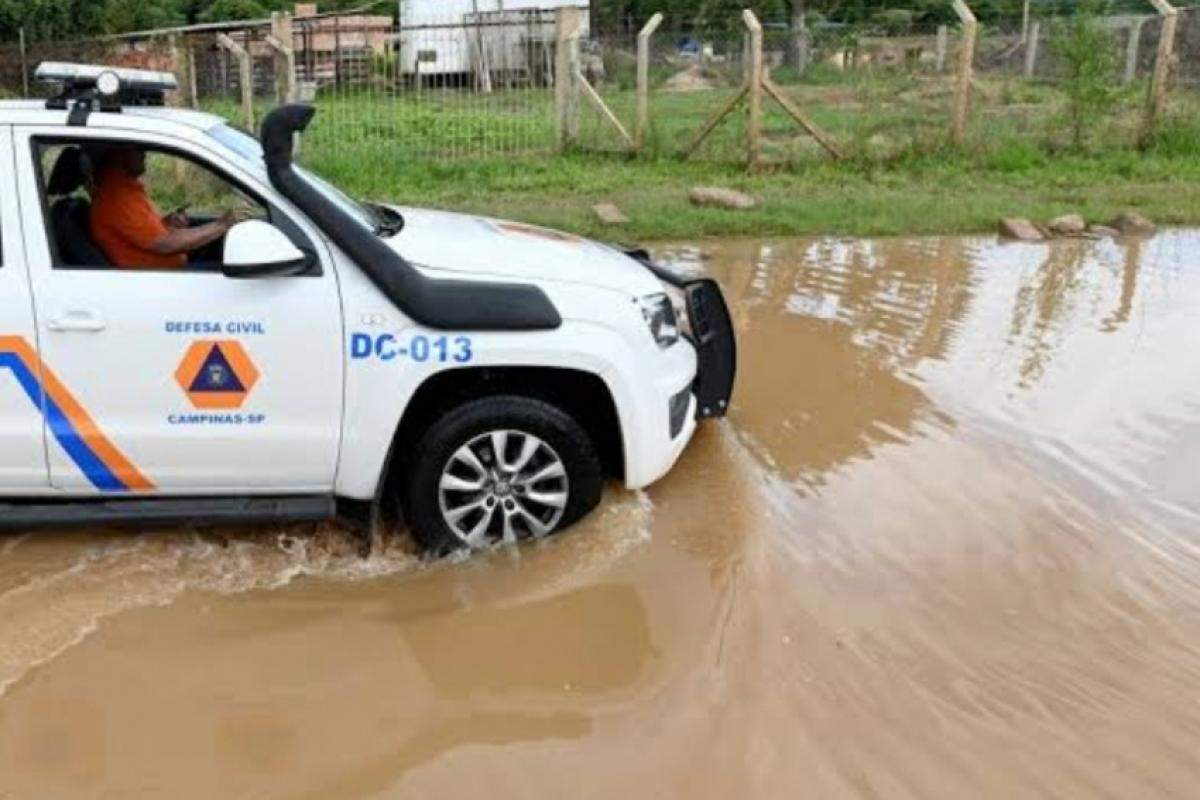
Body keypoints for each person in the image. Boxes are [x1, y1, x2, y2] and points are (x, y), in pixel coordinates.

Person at [88, 146, 247, 269]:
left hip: (166, 273)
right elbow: (164, 244)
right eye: (138, 150)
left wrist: (166, 223)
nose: (145, 154)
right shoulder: (117, 198)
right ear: (119, 154)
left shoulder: (124, 189)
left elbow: (144, 234)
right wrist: (221, 225)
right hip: (158, 282)